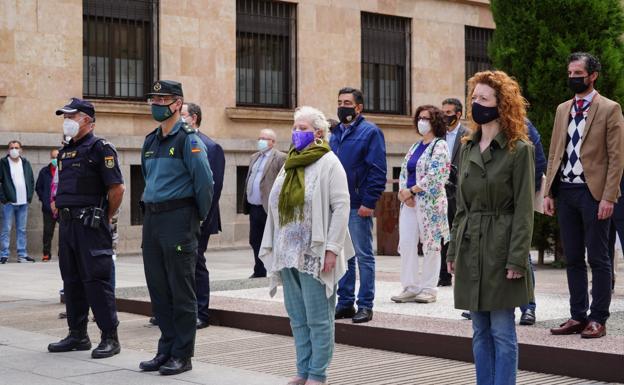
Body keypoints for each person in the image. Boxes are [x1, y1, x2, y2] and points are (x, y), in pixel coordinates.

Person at [447, 70, 535, 385]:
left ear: (502, 104)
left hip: (501, 244)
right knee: (479, 329)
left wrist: (517, 258)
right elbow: (461, 205)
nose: (476, 104)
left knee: (502, 329)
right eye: (474, 98)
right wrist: (453, 248)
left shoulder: (519, 149)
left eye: (484, 98)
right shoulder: (467, 145)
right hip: (472, 245)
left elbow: (525, 209)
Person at [259, 106, 353, 385]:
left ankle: (317, 374)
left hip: (314, 253)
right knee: (298, 318)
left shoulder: (329, 162)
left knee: (319, 319)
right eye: (294, 127)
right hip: (287, 252)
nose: (296, 132)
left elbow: (341, 206)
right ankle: (302, 371)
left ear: (319, 133)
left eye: (303, 128)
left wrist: (332, 249)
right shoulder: (291, 162)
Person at [544, 52, 624, 339]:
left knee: (599, 258)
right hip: (566, 191)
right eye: (570, 73)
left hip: (594, 194)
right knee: (573, 257)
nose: (573, 78)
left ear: (593, 76)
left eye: (578, 73)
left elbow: (616, 158)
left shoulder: (610, 109)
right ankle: (578, 315)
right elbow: (555, 153)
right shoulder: (562, 109)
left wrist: (609, 197)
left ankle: (598, 318)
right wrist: (548, 192)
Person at [139, 80, 213, 376]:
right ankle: (165, 348)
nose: (157, 104)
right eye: (153, 98)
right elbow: (147, 178)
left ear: (178, 104)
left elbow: (204, 183)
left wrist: (197, 219)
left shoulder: (188, 140)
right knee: (158, 288)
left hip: (179, 218)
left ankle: (182, 354)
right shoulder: (151, 141)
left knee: (181, 289)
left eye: (164, 98)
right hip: (153, 219)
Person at [47, 98, 125, 359]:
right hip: (68, 225)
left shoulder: (100, 148)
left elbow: (117, 189)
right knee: (71, 280)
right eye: (64, 116)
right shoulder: (66, 151)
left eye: (72, 116)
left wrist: (106, 217)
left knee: (97, 280)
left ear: (88, 120)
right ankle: (77, 334)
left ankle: (109, 337)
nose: (66, 121)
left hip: (90, 225)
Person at [331, 87, 387, 324]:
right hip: (338, 206)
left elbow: (377, 170)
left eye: (347, 102)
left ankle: (365, 305)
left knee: (364, 256)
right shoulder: (334, 133)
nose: (342, 106)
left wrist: (368, 201)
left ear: (359, 107)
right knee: (344, 255)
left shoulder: (370, 132)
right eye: (339, 101)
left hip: (358, 205)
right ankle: (345, 303)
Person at [391, 105, 450, 304]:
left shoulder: (439, 145)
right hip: (409, 202)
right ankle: (410, 286)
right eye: (420, 117)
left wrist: (413, 190)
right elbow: (404, 172)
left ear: (435, 122)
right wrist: (404, 193)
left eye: (426, 118)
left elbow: (437, 175)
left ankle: (429, 289)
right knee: (407, 243)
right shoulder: (416, 146)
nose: (421, 121)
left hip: (430, 204)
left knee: (431, 245)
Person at [181, 102, 225, 329]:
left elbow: (213, 188)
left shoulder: (210, 146)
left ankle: (201, 311)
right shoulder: (177, 143)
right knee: (176, 264)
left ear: (194, 118)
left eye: (182, 115)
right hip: (177, 217)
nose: (179, 119)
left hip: (200, 217)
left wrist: (201, 216)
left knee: (196, 263)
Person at [241, 129, 286, 278]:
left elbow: (283, 182)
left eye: (265, 138)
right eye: (259, 138)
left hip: (269, 208)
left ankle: (276, 269)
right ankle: (259, 270)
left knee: (272, 240)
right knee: (255, 239)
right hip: (254, 207)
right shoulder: (254, 156)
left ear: (273, 142)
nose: (261, 140)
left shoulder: (280, 157)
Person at [439, 98, 470, 287]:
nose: (445, 116)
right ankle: (444, 274)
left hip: (459, 190)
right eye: (443, 112)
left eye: (448, 113)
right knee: (443, 231)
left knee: (458, 230)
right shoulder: (438, 135)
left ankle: (460, 271)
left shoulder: (467, 135)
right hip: (441, 191)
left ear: (458, 114)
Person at [0, 140, 35, 264]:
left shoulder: (25, 163)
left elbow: (31, 180)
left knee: (22, 229)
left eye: (16, 147)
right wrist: (4, 198)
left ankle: (22, 255)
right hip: (9, 203)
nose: (14, 150)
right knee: (6, 229)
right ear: (8, 150)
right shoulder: (3, 163)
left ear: (21, 150)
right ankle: (4, 255)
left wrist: (29, 195)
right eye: (11, 148)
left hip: (23, 202)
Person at [35, 148, 59, 262]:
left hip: (62, 207)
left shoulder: (65, 170)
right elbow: (38, 187)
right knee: (48, 231)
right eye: (53, 157)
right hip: (48, 207)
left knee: (65, 231)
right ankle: (46, 253)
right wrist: (44, 200)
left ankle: (63, 253)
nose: (55, 159)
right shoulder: (44, 171)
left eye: (57, 157)